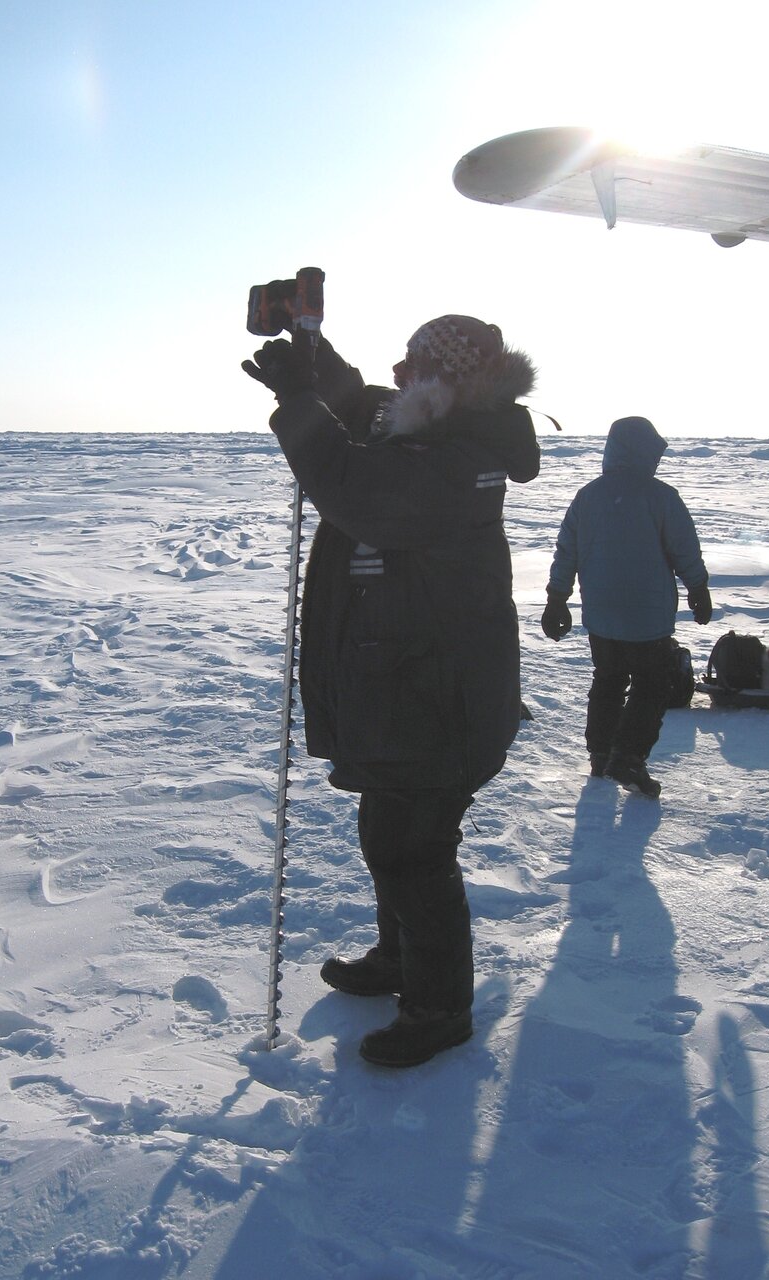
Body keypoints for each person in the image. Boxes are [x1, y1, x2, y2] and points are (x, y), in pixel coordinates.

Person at [243, 311, 540, 1067]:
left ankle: (439, 1008)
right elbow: (359, 399)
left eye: (414, 362)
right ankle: (398, 955)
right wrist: (313, 354)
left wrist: (299, 408)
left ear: (448, 378)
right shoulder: (423, 421)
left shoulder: (463, 455)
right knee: (389, 836)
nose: (399, 372)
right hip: (408, 689)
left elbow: (361, 493)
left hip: (441, 701)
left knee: (414, 852)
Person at [541, 417, 711, 798]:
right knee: (652, 684)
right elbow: (684, 547)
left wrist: (557, 598)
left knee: (609, 678)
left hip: (602, 613)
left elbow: (566, 550)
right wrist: (698, 586)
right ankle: (629, 756)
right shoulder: (661, 496)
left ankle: (601, 754)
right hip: (646, 614)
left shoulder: (589, 496)